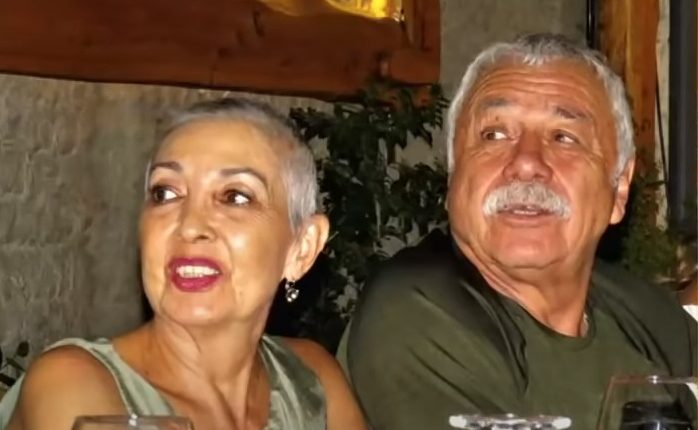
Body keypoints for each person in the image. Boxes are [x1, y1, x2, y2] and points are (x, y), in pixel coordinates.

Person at [339, 33, 697, 429]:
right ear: (453, 177)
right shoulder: (419, 314)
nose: (526, 163)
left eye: (564, 137)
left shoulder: (649, 318)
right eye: (494, 135)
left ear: (619, 190)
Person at [0, 98, 367, 430]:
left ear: (302, 248)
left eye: (235, 196)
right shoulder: (73, 383)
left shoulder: (312, 382)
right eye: (166, 193)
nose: (190, 226)